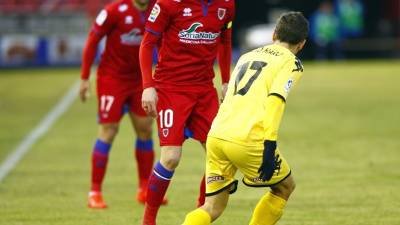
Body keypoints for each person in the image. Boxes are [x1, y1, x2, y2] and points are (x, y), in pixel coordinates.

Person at [182, 11, 309, 225]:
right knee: (285, 187)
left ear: (274, 34)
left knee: (212, 206)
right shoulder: (291, 63)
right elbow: (276, 100)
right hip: (247, 138)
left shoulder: (246, 56)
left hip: (217, 135)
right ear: (302, 44)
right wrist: (269, 144)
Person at [139, 0, 235, 224]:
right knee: (171, 158)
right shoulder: (167, 4)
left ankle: (200, 214)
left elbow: (225, 41)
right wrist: (148, 87)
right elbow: (147, 44)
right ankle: (148, 220)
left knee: (222, 156)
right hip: (171, 88)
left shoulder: (227, 5)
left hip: (204, 91)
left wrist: (226, 81)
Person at [80, 0, 166, 209]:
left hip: (140, 82)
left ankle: (145, 189)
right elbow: (93, 40)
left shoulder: (159, 9)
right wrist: (84, 78)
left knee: (145, 130)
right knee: (108, 131)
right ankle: (95, 192)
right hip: (112, 79)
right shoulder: (114, 10)